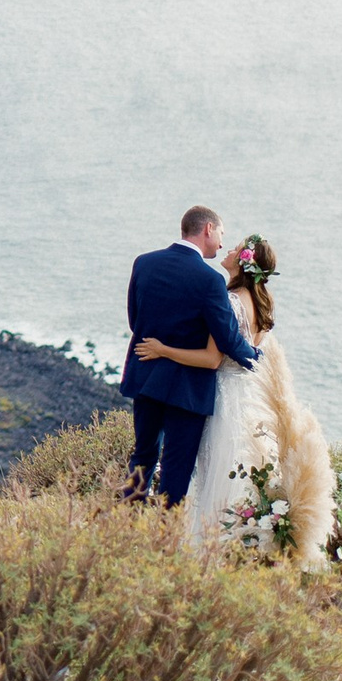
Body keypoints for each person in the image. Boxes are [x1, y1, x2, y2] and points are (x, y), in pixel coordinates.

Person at [132, 231, 338, 567]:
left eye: (236, 249)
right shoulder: (263, 302)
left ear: (245, 263)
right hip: (250, 397)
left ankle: (205, 550)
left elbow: (212, 359)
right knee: (244, 469)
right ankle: (241, 545)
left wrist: (162, 350)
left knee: (216, 471)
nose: (228, 250)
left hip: (224, 396)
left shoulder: (228, 300)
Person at [119, 206, 259, 509]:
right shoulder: (209, 280)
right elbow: (228, 338)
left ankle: (125, 524)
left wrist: (161, 348)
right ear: (207, 229)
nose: (222, 243)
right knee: (176, 467)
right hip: (188, 387)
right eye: (221, 234)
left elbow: (135, 321)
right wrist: (257, 359)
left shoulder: (144, 263)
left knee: (142, 455)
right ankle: (164, 536)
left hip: (146, 375)